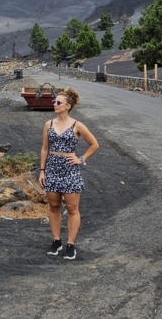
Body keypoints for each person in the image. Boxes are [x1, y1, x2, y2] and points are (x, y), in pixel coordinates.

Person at [38, 87, 99, 260]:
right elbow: (44, 149)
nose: (54, 104)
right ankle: (56, 241)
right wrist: (42, 171)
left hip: (70, 169)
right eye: (54, 102)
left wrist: (81, 159)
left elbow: (94, 144)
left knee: (72, 208)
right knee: (54, 207)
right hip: (52, 168)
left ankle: (71, 244)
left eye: (58, 102)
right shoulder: (48, 124)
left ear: (68, 106)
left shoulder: (77, 125)